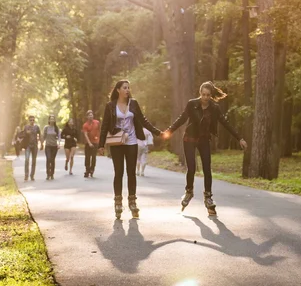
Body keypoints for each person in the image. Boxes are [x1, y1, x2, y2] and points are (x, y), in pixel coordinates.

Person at [162, 81, 247, 216]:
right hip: (189, 139)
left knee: (207, 169)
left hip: (204, 140)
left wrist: (239, 138)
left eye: (208, 95)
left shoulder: (214, 108)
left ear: (211, 95)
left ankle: (208, 197)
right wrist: (169, 131)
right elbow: (182, 118)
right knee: (191, 168)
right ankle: (189, 192)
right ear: (200, 94)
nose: (205, 97)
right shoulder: (192, 104)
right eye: (203, 95)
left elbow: (226, 123)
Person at [98, 80, 162, 219]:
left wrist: (157, 132)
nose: (127, 90)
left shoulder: (133, 103)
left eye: (128, 88)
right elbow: (105, 125)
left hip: (132, 141)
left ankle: (132, 202)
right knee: (119, 172)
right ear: (118, 90)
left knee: (131, 172)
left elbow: (143, 120)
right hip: (117, 142)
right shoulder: (110, 106)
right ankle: (118, 202)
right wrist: (101, 145)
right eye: (124, 88)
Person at [82, 110, 100, 178]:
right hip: (88, 143)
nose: (91, 116)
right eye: (89, 115)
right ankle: (87, 170)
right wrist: (89, 143)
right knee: (87, 157)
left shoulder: (97, 122)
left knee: (93, 157)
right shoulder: (85, 125)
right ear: (87, 117)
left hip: (95, 142)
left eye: (91, 115)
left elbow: (99, 131)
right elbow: (85, 135)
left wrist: (99, 141)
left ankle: (92, 169)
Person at [22, 115, 41, 181]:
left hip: (35, 146)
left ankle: (32, 175)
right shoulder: (26, 127)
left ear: (34, 120)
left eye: (33, 120)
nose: (32, 121)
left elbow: (40, 135)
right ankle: (26, 175)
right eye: (31, 120)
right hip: (28, 146)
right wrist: (26, 133)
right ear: (29, 120)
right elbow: (22, 135)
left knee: (34, 160)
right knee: (27, 159)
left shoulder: (37, 127)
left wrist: (41, 144)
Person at [42, 114, 60, 180]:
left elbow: (59, 137)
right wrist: (41, 143)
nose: (52, 120)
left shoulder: (56, 128)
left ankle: (52, 174)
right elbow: (43, 136)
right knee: (48, 159)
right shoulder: (46, 128)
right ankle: (48, 174)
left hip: (54, 146)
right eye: (51, 119)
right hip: (48, 146)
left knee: (52, 160)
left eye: (53, 119)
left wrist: (58, 144)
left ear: (54, 120)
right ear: (49, 120)